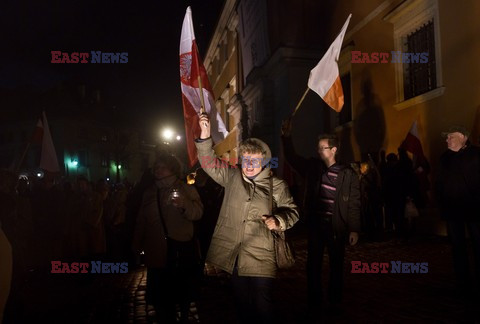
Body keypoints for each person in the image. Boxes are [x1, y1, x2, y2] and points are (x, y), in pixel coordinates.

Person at [195, 114, 299, 324]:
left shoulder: (276, 185)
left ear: (263, 161)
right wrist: (205, 135)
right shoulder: (232, 177)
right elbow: (208, 163)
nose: (249, 165)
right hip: (236, 256)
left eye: (254, 160)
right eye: (246, 160)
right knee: (241, 304)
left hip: (263, 255)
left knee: (263, 305)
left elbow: (293, 211)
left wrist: (279, 220)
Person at [281, 118, 360, 319]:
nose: (318, 151)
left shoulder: (347, 173)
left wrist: (354, 228)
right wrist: (287, 136)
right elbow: (291, 157)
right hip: (316, 226)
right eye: (318, 148)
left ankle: (334, 301)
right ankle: (314, 301)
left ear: (333, 150)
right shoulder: (312, 167)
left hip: (336, 227)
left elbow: (353, 203)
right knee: (312, 266)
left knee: (336, 266)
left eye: (322, 148)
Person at [132, 154, 203, 323]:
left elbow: (198, 213)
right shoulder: (149, 193)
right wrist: (136, 246)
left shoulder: (186, 189)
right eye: (155, 167)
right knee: (160, 301)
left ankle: (184, 315)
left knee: (181, 294)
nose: (157, 170)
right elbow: (141, 221)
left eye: (162, 167)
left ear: (172, 169)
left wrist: (184, 204)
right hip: (156, 254)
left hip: (179, 252)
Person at [435, 125, 480, 300]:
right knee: (458, 249)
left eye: (450, 136)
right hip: (453, 213)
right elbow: (439, 183)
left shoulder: (476, 154)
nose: (447, 140)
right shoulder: (444, 158)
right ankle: (463, 285)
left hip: (475, 211)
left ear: (463, 136)